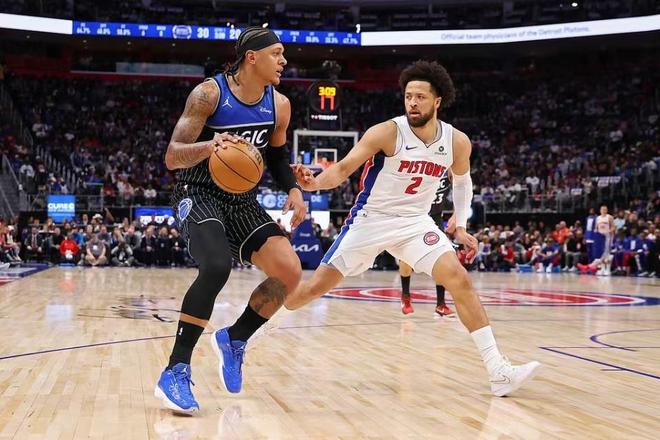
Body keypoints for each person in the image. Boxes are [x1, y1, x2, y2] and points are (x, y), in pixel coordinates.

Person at [286, 60, 540, 397]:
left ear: (437, 101)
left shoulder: (457, 141)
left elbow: (462, 182)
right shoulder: (386, 132)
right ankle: (249, 329)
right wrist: (314, 183)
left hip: (415, 222)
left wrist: (461, 225)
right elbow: (344, 168)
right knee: (313, 288)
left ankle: (498, 371)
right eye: (408, 96)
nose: (412, 103)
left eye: (420, 97)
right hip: (372, 219)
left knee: (459, 278)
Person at [155, 27, 305, 413]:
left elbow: (276, 157)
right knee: (216, 266)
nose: (284, 61)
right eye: (277, 53)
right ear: (252, 57)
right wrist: (210, 146)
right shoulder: (209, 94)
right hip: (197, 191)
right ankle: (175, 370)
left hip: (241, 199)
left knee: (289, 272)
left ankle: (235, 338)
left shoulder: (280, 105)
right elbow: (172, 156)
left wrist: (293, 188)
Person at [399, 169, 455, 317]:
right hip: (413, 216)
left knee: (442, 260)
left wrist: (457, 215)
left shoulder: (449, 167)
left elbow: (461, 187)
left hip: (435, 217)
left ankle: (440, 304)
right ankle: (405, 296)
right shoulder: (419, 164)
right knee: (405, 258)